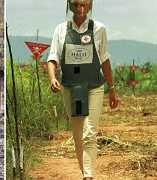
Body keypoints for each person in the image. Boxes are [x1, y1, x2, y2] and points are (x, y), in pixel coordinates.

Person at [47, 0, 118, 179]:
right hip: (70, 88)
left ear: (89, 7)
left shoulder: (99, 29)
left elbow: (104, 59)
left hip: (94, 87)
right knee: (78, 133)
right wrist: (53, 78)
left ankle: (88, 176)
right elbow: (53, 57)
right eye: (76, 5)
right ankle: (85, 170)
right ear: (70, 6)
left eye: (83, 5)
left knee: (89, 132)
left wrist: (112, 89)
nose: (79, 9)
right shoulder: (60, 30)